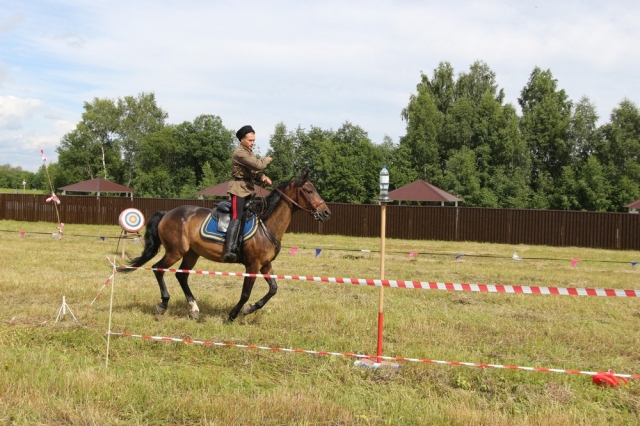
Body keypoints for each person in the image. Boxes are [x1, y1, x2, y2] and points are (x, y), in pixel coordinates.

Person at [223, 125, 273, 262]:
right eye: (250, 140)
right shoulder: (240, 153)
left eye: (254, 140)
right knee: (236, 216)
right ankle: (229, 250)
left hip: (248, 188)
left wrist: (262, 177)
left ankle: (244, 244)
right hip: (238, 189)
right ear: (242, 140)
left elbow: (254, 172)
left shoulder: (249, 152)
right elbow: (258, 165)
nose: (253, 143)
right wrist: (266, 160)